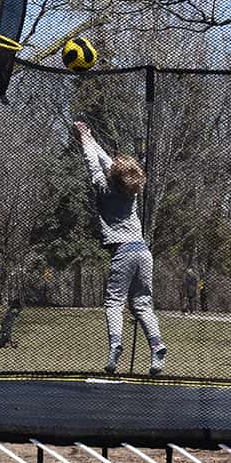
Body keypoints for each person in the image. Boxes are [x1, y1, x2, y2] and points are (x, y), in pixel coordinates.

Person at [73, 121, 167, 376]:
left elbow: (95, 163)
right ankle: (157, 346)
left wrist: (84, 139)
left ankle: (115, 344)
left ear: (113, 177)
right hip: (143, 251)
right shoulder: (131, 192)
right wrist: (90, 137)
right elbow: (106, 162)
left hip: (123, 251)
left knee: (114, 302)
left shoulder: (104, 188)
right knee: (143, 303)